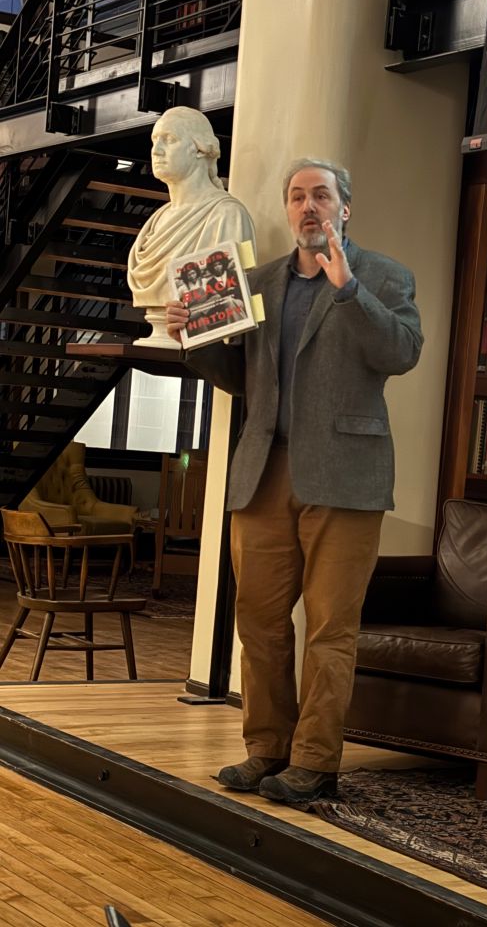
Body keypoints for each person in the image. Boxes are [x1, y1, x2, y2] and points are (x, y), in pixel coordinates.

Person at [165, 157, 422, 804]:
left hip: (346, 477)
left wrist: (348, 288)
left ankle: (314, 762)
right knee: (259, 622)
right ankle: (266, 750)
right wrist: (193, 341)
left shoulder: (385, 276)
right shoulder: (254, 282)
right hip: (263, 472)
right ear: (287, 210)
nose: (308, 206)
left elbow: (401, 353)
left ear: (345, 207)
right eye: (297, 197)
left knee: (330, 627)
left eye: (321, 196)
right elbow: (239, 379)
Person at [127, 106, 255, 348]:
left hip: (202, 345)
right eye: (155, 141)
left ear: (199, 149)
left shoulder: (226, 216)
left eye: (170, 140)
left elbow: (226, 301)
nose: (156, 151)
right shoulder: (155, 222)